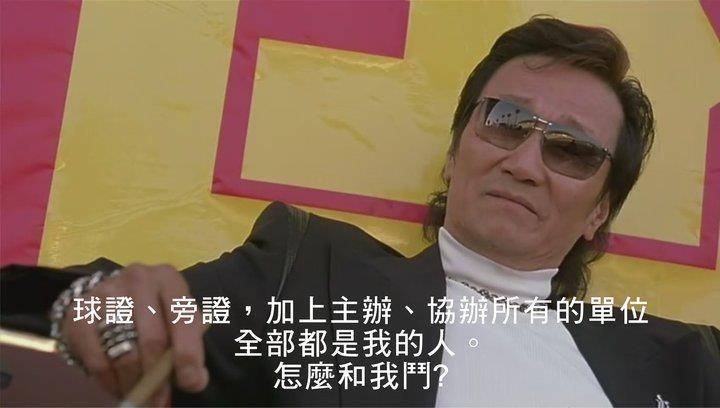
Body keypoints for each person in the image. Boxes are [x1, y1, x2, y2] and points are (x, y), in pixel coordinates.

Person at [4, 15, 719, 406]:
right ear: (456, 153)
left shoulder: (688, 366)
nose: (526, 162)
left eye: (571, 150)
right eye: (506, 121)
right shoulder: (311, 279)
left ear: (599, 214)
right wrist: (85, 308)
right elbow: (66, 331)